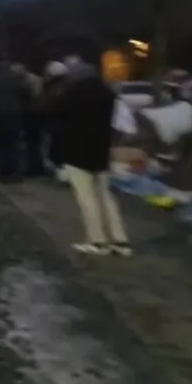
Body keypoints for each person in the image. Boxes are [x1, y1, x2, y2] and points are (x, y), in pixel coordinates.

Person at [53, 57, 131, 256]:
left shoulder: (71, 94)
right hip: (101, 150)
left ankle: (97, 241)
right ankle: (120, 240)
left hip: (76, 151)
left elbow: (57, 115)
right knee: (106, 196)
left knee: (86, 198)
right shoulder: (108, 93)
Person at [20, 67, 48, 177]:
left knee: (32, 142)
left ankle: (34, 167)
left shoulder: (28, 81)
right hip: (39, 113)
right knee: (36, 142)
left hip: (33, 114)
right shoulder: (38, 80)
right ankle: (37, 166)